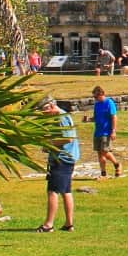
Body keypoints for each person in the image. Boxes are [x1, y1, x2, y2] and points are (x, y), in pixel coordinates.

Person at [36, 97, 78, 232]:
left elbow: (68, 138)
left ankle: (48, 224)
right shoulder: (59, 116)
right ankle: (69, 223)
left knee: (52, 191)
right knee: (66, 191)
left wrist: (49, 144)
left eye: (44, 111)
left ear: (50, 107)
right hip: (66, 158)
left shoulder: (61, 117)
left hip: (62, 159)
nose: (44, 115)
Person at [92, 86, 121, 178]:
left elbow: (114, 117)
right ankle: (103, 173)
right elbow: (96, 117)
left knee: (105, 151)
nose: (95, 99)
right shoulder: (97, 104)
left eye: (96, 97)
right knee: (100, 154)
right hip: (97, 132)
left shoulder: (109, 102)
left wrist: (113, 131)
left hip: (106, 132)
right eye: (94, 97)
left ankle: (117, 164)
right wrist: (88, 119)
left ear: (101, 94)